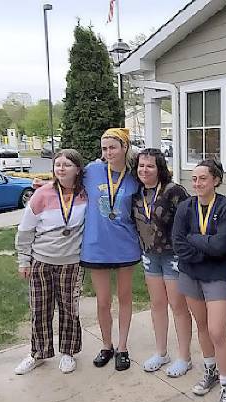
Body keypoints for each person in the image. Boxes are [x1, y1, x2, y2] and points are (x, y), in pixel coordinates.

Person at [172, 159, 226, 402]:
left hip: (218, 276)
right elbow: (177, 242)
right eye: (194, 179)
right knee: (201, 327)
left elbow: (222, 246)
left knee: (217, 331)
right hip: (190, 275)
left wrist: (195, 239)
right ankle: (210, 370)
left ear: (216, 180)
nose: (197, 183)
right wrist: (203, 249)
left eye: (203, 178)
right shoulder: (185, 207)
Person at [14, 149, 87, 375]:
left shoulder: (86, 195)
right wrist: (23, 260)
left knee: (69, 309)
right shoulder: (42, 194)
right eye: (58, 165)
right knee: (40, 309)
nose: (61, 168)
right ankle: (38, 353)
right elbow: (26, 230)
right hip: (41, 261)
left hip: (72, 263)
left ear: (77, 169)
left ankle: (68, 352)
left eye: (67, 164)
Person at [81, 128, 141, 372]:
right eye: (104, 148)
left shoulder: (135, 176)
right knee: (103, 300)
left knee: (125, 298)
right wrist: (42, 185)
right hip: (96, 246)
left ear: (124, 147)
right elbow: (64, 181)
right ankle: (107, 345)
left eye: (113, 147)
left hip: (125, 245)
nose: (108, 153)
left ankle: (123, 347)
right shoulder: (92, 171)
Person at [131, 148, 192, 377]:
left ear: (160, 168)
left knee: (178, 306)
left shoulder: (174, 191)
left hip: (173, 256)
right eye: (141, 166)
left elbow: (190, 222)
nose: (144, 170)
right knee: (157, 304)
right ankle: (161, 352)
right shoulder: (136, 193)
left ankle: (184, 358)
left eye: (150, 166)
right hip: (149, 255)